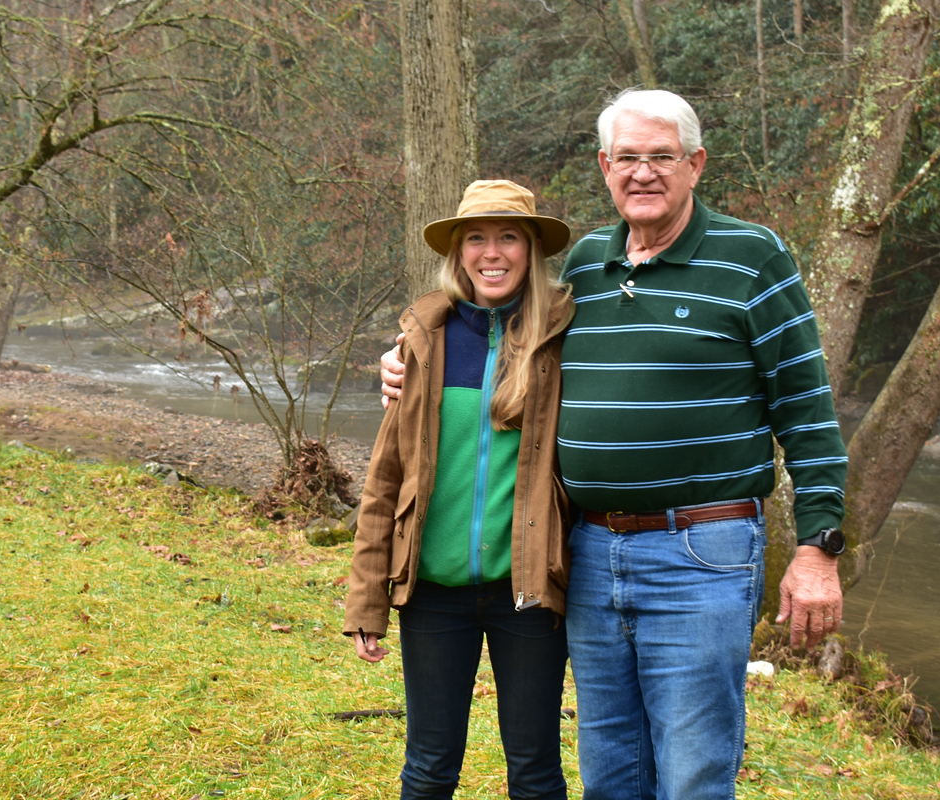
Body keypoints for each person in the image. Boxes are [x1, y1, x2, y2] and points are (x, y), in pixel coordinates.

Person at [379, 90, 848, 800]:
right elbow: (495, 314)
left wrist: (816, 549)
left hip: (703, 551)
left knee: (691, 763)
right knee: (611, 763)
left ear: (695, 164)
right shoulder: (588, 270)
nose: (644, 173)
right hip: (589, 554)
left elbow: (807, 410)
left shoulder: (751, 257)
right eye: (628, 157)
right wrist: (407, 358)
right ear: (605, 166)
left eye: (662, 157)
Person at [344, 179, 576, 800]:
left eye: (509, 237)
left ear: (531, 250)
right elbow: (385, 480)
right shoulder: (424, 341)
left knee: (534, 771)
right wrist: (368, 600)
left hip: (527, 594)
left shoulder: (563, 338)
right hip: (432, 595)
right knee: (428, 767)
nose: (491, 252)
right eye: (476, 238)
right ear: (458, 252)